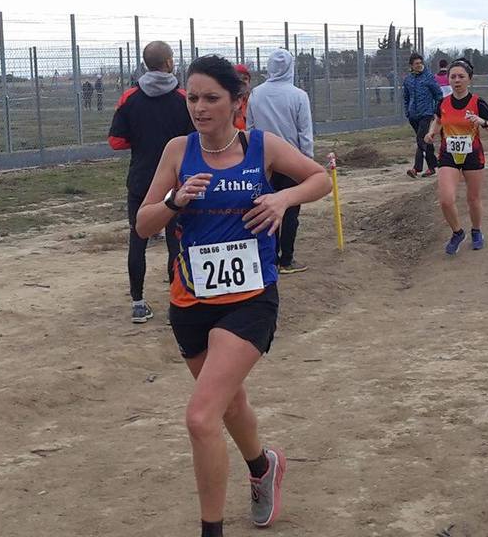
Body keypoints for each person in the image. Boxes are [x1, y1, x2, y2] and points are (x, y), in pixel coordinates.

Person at [134, 54, 331, 537]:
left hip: (250, 300)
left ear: (237, 102)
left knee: (201, 417)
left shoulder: (262, 147)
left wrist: (283, 198)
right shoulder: (178, 152)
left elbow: (320, 178)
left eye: (211, 98)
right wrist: (174, 200)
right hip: (190, 303)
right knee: (228, 404)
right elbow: (142, 224)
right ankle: (263, 466)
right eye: (193, 98)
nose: (199, 108)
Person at [108, 41, 194, 323]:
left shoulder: (129, 98)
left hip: (141, 179)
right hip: (175, 180)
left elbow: (116, 141)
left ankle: (138, 303)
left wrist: (141, 139)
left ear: (146, 64)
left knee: (138, 238)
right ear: (168, 63)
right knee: (175, 242)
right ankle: (175, 302)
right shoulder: (183, 99)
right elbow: (195, 139)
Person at [246, 48, 314, 275]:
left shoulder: (256, 94)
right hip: (292, 161)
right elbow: (305, 132)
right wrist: (307, 162)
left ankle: (269, 257)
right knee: (291, 211)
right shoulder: (299, 95)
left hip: (263, 160)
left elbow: (250, 128)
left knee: (266, 209)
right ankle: (287, 259)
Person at [424, 59, 488, 255]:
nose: (457, 80)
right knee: (445, 199)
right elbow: (438, 120)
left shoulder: (478, 103)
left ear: (469, 79)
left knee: (473, 199)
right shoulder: (443, 102)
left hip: (472, 155)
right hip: (448, 155)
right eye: (453, 77)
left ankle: (476, 231)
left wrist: (482, 121)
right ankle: (458, 232)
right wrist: (432, 132)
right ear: (448, 79)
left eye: (461, 76)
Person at [402, 52, 441, 178]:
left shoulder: (429, 77)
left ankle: (416, 168)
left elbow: (438, 95)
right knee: (426, 140)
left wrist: (436, 110)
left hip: (426, 113)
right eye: (416, 63)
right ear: (411, 65)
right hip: (413, 115)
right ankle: (433, 166)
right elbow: (406, 97)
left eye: (420, 63)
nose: (419, 65)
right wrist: (407, 112)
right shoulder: (408, 80)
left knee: (421, 140)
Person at [233, 64, 251, 131]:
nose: (242, 81)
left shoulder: (253, 100)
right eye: (238, 78)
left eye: (245, 78)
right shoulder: (227, 102)